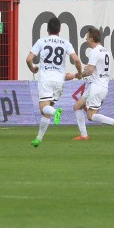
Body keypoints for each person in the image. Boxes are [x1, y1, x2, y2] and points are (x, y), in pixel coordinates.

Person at [26, 17, 83, 148]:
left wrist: (32, 68)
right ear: (60, 29)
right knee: (47, 110)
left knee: (43, 108)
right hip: (59, 81)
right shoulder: (65, 43)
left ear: (47, 29)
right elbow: (77, 60)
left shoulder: (41, 41)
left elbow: (28, 59)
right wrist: (79, 74)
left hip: (46, 79)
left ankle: (55, 112)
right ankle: (38, 139)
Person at [72, 27, 114, 140]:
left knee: (91, 116)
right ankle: (84, 135)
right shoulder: (105, 51)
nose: (86, 39)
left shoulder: (94, 52)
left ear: (91, 38)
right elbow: (96, 69)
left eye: (87, 37)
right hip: (99, 85)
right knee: (77, 106)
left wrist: (77, 75)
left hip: (97, 87)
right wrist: (89, 70)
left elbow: (90, 71)